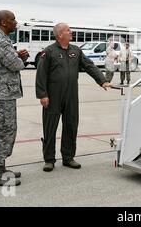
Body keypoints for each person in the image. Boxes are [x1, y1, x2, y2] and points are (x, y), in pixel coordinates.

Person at [35, 23, 112, 172]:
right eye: (68, 30)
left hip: (71, 94)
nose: (71, 32)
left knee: (71, 125)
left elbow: (89, 66)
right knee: (50, 127)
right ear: (59, 35)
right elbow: (41, 74)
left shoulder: (76, 51)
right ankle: (49, 159)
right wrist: (42, 94)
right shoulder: (49, 52)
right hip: (53, 95)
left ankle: (68, 157)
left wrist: (102, 80)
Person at [0, 10, 29, 186]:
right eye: (13, 20)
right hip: (1, 94)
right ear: (3, 22)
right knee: (1, 131)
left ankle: (1, 167)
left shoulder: (1, 38)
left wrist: (16, 54)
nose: (16, 22)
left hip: (5, 93)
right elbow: (15, 65)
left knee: (7, 129)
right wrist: (22, 57)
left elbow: (8, 60)